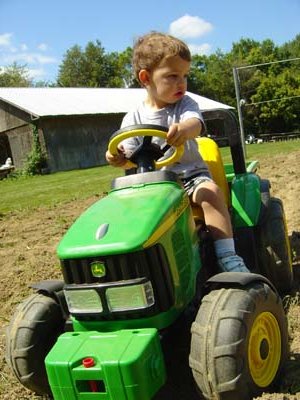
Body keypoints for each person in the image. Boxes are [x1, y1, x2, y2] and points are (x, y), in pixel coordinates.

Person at [106, 32, 249, 273]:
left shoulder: (185, 105)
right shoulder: (133, 118)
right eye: (172, 76)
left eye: (184, 76)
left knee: (211, 193)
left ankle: (228, 256)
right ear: (145, 78)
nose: (181, 83)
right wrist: (115, 157)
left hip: (190, 178)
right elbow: (127, 155)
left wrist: (184, 129)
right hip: (153, 186)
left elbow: (196, 124)